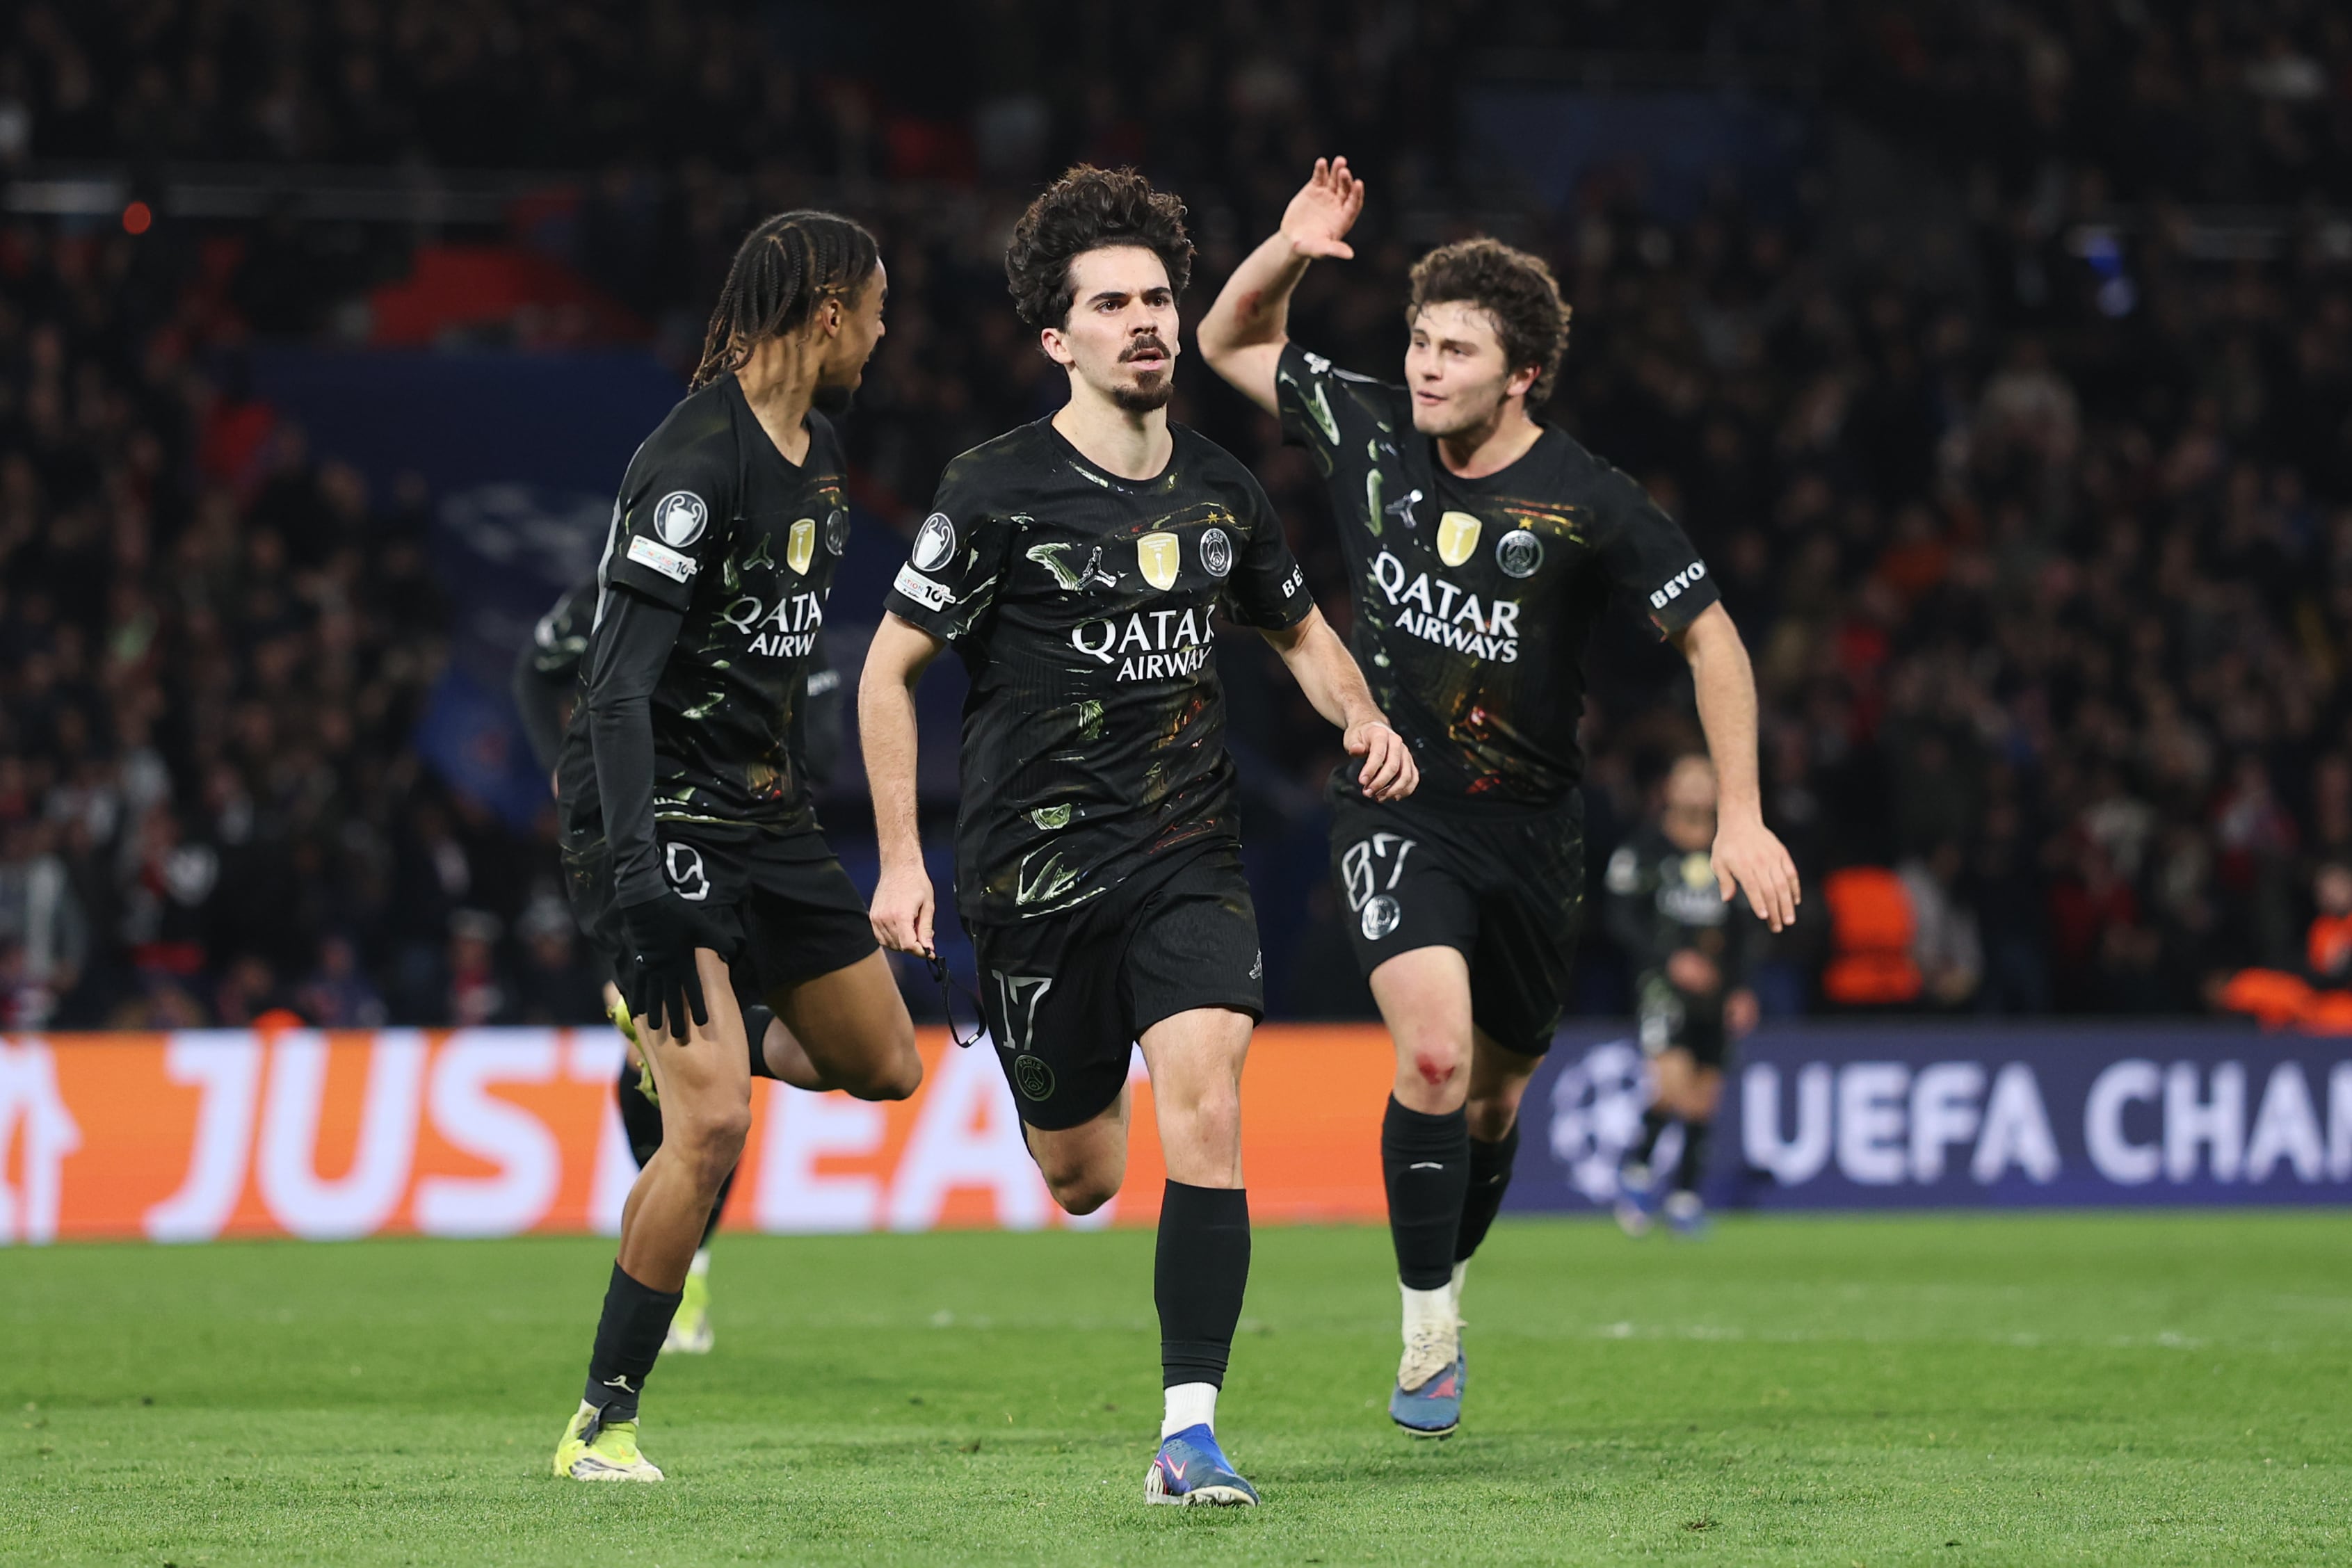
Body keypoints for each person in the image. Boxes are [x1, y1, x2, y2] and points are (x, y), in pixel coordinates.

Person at [1198, 159, 1799, 1438]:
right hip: (1397, 803)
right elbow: (1227, 336)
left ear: (1519, 372)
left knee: (1495, 1096)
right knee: (1432, 1054)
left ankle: (1448, 1277)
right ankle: (1426, 1332)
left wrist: (1739, 814)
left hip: (1533, 833)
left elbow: (1715, 642)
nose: (1422, 367)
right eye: (1417, 340)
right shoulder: (1365, 429)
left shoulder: (1588, 503)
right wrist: (1293, 245)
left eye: (1454, 350)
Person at [860, 165, 1415, 1508]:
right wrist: (895, 860)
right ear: (1058, 340)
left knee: (1210, 1103)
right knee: (1084, 1176)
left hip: (1185, 856)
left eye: (1157, 296)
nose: (1145, 321)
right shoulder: (992, 491)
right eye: (1110, 303)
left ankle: (1189, 1432)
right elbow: (887, 674)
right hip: (1031, 881)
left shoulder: (1222, 488)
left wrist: (1362, 719)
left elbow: (1296, 629)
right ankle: (1060, 1088)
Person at [547, 210, 925, 1484]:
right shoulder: (692, 463)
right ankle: (602, 1424)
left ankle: (694, 1031)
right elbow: (612, 692)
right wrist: (641, 878)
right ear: (826, 314)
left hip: (768, 818)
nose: (882, 336)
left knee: (884, 1068)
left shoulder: (817, 457)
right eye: (873, 310)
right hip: (660, 820)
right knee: (709, 1122)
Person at [513, 579, 850, 1356]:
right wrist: (563, 774)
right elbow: (535, 670)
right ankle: (679, 1273)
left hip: (755, 854)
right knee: (666, 1072)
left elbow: (823, 741)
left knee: (711, 1082)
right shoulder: (623, 586)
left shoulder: (781, 602)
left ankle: (685, 1263)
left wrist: (757, 788)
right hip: (641, 848)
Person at [1605, 755, 1761, 1236]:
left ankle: (1685, 1198)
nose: (1696, 791)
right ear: (1669, 789)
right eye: (1687, 780)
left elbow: (1749, 927)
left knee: (1703, 1099)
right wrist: (1668, 960)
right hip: (1663, 985)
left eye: (1704, 781)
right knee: (1670, 1085)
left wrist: (1741, 987)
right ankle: (1637, 1170)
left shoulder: (1731, 848)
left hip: (1717, 991)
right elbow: (1620, 916)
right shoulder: (1647, 848)